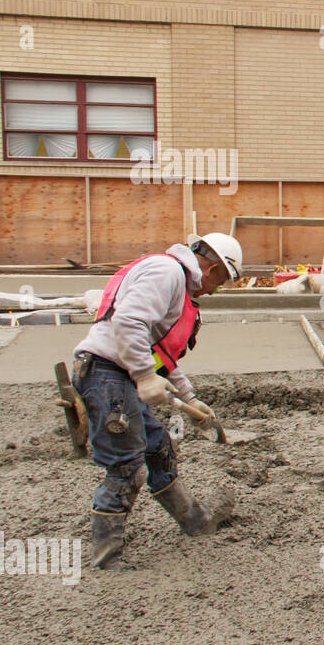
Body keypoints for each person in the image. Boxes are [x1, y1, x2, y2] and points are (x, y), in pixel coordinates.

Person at [73, 232, 244, 568]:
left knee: (158, 447)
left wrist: (189, 398)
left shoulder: (178, 283)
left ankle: (195, 521)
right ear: (212, 270)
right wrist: (143, 376)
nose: (214, 291)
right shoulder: (167, 273)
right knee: (126, 468)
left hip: (119, 376)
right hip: (106, 374)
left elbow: (159, 353)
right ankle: (106, 559)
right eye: (220, 283)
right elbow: (128, 321)